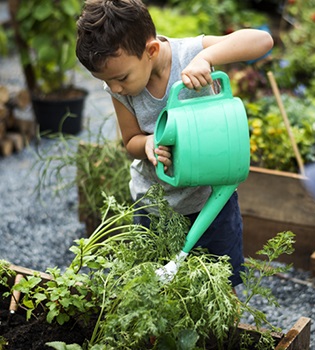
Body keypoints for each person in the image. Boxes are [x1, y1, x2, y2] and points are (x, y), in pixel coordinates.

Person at [76, 0, 274, 288]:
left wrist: (207, 58)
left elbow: (262, 40)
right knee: (159, 289)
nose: (115, 88)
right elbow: (130, 140)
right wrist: (146, 144)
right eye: (106, 81)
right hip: (155, 207)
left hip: (211, 199)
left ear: (151, 51)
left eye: (120, 78)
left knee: (218, 287)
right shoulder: (120, 87)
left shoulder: (191, 53)